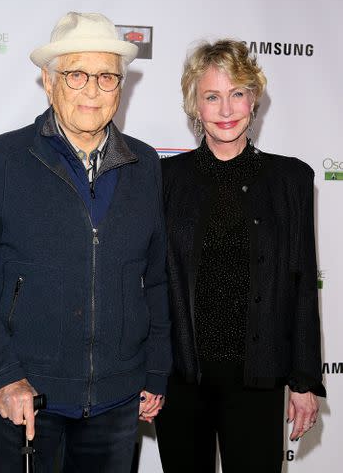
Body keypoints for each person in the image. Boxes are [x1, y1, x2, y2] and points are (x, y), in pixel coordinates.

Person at [0, 12, 171, 472]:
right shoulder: (1, 160)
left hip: (117, 403)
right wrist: (4, 376)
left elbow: (156, 280)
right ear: (48, 83)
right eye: (76, 74)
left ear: (121, 86)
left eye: (107, 76)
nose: (92, 90)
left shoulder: (146, 165)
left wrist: (155, 370)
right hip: (24, 399)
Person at [155, 39, 325, 473]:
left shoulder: (291, 180)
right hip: (181, 379)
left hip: (258, 379)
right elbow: (150, 283)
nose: (226, 109)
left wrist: (304, 382)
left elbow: (303, 284)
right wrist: (145, 373)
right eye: (212, 96)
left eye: (237, 94)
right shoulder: (163, 180)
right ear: (195, 105)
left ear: (254, 98)